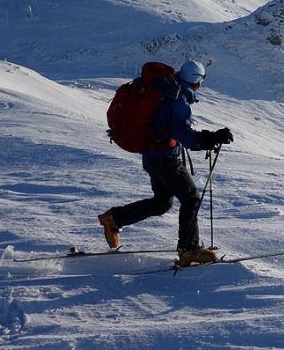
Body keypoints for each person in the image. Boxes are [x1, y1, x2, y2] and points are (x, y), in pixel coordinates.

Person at [98, 60, 234, 266]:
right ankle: (188, 250)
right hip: (165, 159)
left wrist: (209, 137)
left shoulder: (168, 91)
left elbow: (171, 129)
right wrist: (211, 138)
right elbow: (184, 135)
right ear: (198, 81)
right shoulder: (177, 100)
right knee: (191, 198)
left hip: (153, 157)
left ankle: (114, 219)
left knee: (162, 203)